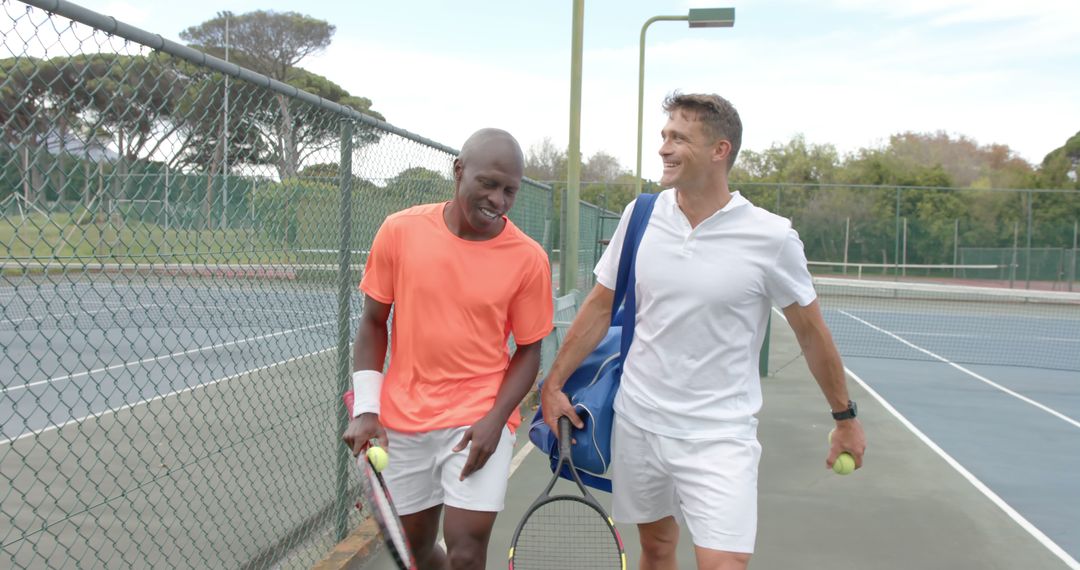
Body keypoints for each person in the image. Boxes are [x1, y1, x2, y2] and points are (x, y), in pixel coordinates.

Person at [540, 93, 867, 570]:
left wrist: (845, 417)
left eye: (680, 138)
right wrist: (551, 385)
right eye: (664, 135)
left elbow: (811, 334)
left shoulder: (771, 237)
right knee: (656, 549)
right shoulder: (641, 215)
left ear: (720, 150)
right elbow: (599, 307)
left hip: (720, 436)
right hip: (639, 422)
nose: (664, 148)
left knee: (723, 564)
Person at [343, 128, 553, 570]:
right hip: (404, 419)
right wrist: (367, 409)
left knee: (466, 551)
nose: (499, 201)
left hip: (477, 419)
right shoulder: (399, 231)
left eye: (510, 191)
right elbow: (373, 322)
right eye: (489, 184)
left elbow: (530, 349)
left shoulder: (528, 257)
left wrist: (496, 419)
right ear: (459, 172)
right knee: (414, 553)